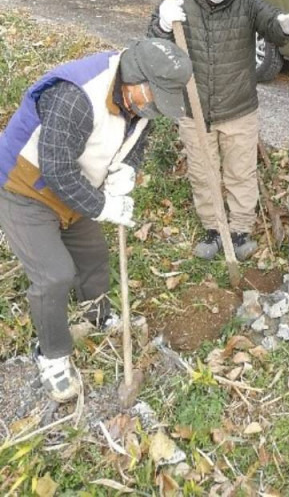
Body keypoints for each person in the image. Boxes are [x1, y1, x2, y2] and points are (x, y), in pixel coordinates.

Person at [0, 38, 192, 402]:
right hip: (24, 189)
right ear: (134, 80)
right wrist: (102, 206)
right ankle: (52, 355)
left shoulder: (140, 103)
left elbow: (135, 143)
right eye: (155, 97)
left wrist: (127, 171)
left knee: (93, 256)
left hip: (75, 188)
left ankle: (96, 315)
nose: (155, 108)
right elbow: (56, 170)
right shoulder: (75, 95)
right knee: (54, 274)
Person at [149, 0, 289, 261]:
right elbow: (153, 49)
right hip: (194, 108)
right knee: (202, 172)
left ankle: (240, 231)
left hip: (239, 107)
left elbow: (270, 24)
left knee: (241, 172)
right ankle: (213, 229)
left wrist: (286, 24)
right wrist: (162, 24)